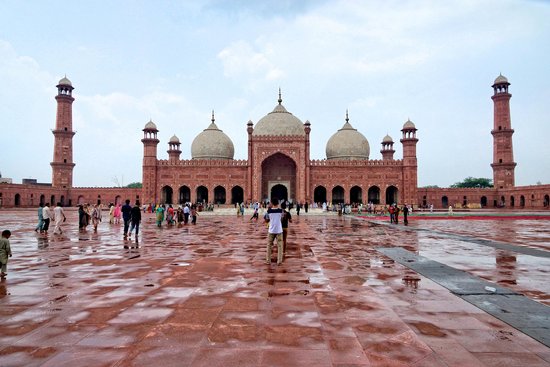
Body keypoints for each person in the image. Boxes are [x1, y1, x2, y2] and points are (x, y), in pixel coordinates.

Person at [265, 198, 284, 265]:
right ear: (278, 203)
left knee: (269, 245)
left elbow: (266, 219)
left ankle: (268, 260)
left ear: (272, 203)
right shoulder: (281, 210)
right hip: (279, 230)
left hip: (271, 230)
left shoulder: (269, 211)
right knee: (280, 246)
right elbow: (282, 218)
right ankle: (279, 261)